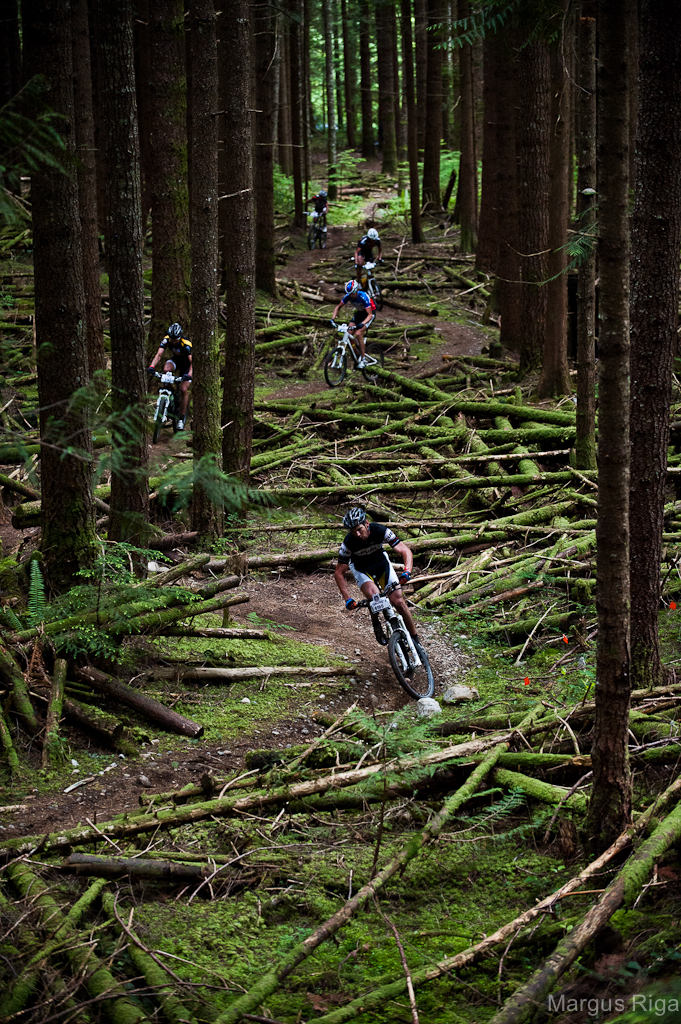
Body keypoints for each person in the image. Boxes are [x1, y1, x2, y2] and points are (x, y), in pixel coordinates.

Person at [334, 507, 419, 642]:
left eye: (359, 529)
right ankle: (376, 622)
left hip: (381, 565)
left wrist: (407, 571)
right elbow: (339, 573)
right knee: (374, 597)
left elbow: (405, 550)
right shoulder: (348, 543)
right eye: (353, 531)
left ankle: (416, 640)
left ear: (367, 524)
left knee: (399, 602)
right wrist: (347, 598)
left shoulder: (380, 530)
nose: (357, 534)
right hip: (362, 569)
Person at [147, 322, 192, 430]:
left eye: (176, 340)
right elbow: (159, 355)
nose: (174, 342)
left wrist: (189, 375)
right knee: (166, 368)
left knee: (184, 389)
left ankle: (181, 417)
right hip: (176, 361)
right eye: (172, 340)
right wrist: (152, 366)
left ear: (180, 337)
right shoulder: (166, 339)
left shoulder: (186, 344)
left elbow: (192, 363)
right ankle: (168, 389)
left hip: (187, 365)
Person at [330, 281, 376, 368]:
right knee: (349, 332)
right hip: (359, 313)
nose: (351, 296)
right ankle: (356, 353)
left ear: (356, 290)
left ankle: (363, 359)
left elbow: (370, 315)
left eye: (353, 294)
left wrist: (362, 324)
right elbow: (337, 307)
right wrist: (333, 319)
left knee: (358, 334)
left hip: (369, 314)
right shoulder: (348, 296)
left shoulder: (363, 296)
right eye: (349, 294)